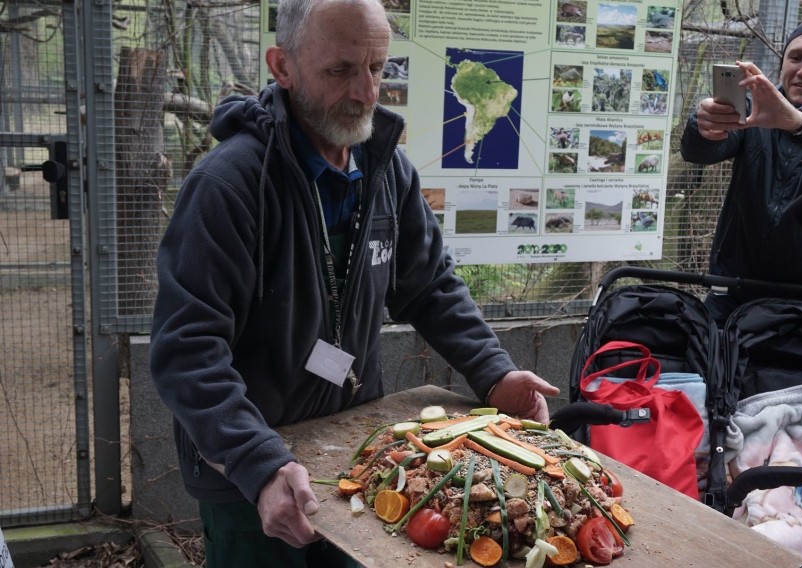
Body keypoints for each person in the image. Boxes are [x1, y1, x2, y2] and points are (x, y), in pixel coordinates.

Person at [148, 0, 560, 566]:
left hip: (357, 457)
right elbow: (186, 353)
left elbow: (429, 285)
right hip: (252, 475)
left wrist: (495, 374)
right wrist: (258, 463)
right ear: (283, 67)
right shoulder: (228, 186)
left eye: (377, 69)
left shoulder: (387, 169)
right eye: (340, 71)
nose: (366, 93)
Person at [680, 16, 802, 323]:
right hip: (736, 292)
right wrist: (703, 126)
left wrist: (800, 123)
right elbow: (698, 152)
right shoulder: (754, 109)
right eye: (795, 57)